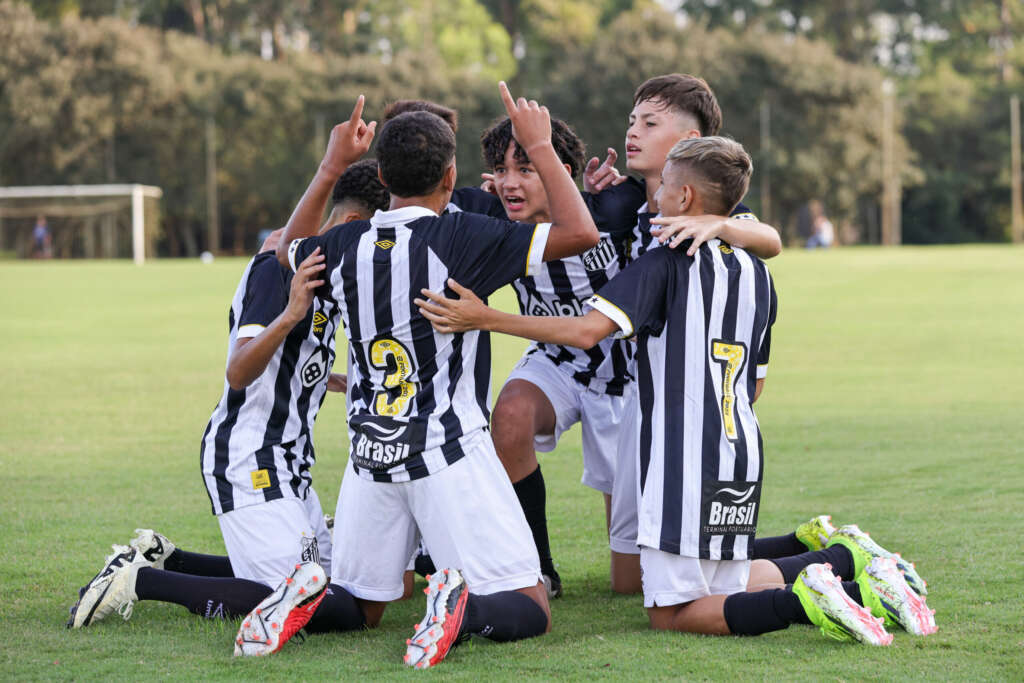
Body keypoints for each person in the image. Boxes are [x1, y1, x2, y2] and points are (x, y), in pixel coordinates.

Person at [416, 136, 936, 643]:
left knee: (671, 613)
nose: (653, 196)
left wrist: (485, 318)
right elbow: (755, 381)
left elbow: (586, 331)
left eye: (663, 184)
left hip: (680, 461)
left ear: (684, 197)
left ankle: (805, 599)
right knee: (725, 582)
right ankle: (862, 585)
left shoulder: (663, 260)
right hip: (739, 453)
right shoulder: (756, 272)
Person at [267, 84, 599, 669]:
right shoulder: (462, 237)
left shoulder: (341, 244)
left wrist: (330, 166)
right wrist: (541, 146)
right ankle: (457, 610)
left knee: (364, 604)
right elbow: (581, 233)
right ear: (451, 176)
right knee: (532, 605)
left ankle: (306, 597)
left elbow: (285, 249)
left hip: (370, 454)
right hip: (448, 450)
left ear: (381, 177)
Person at [67, 161, 392, 643]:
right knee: (321, 604)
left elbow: (288, 358)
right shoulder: (277, 271)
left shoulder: (327, 272)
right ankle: (138, 580)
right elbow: (239, 370)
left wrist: (324, 376)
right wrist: (290, 316)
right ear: (353, 224)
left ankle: (170, 559)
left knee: (341, 588)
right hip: (248, 458)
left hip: (290, 464)